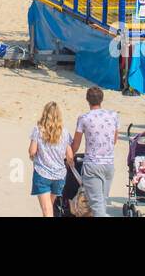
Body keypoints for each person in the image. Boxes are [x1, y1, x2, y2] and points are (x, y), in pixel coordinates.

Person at [70, 85, 118, 216]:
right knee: (102, 200)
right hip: (108, 163)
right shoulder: (113, 116)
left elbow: (77, 142)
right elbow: (114, 140)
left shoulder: (84, 118)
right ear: (102, 99)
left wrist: (70, 155)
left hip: (92, 163)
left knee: (97, 204)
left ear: (87, 100)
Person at [29, 100, 74, 217]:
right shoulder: (64, 132)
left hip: (42, 173)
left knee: (47, 210)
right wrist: (69, 163)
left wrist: (32, 156)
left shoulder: (38, 130)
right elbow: (69, 155)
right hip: (59, 175)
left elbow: (32, 151)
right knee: (49, 207)